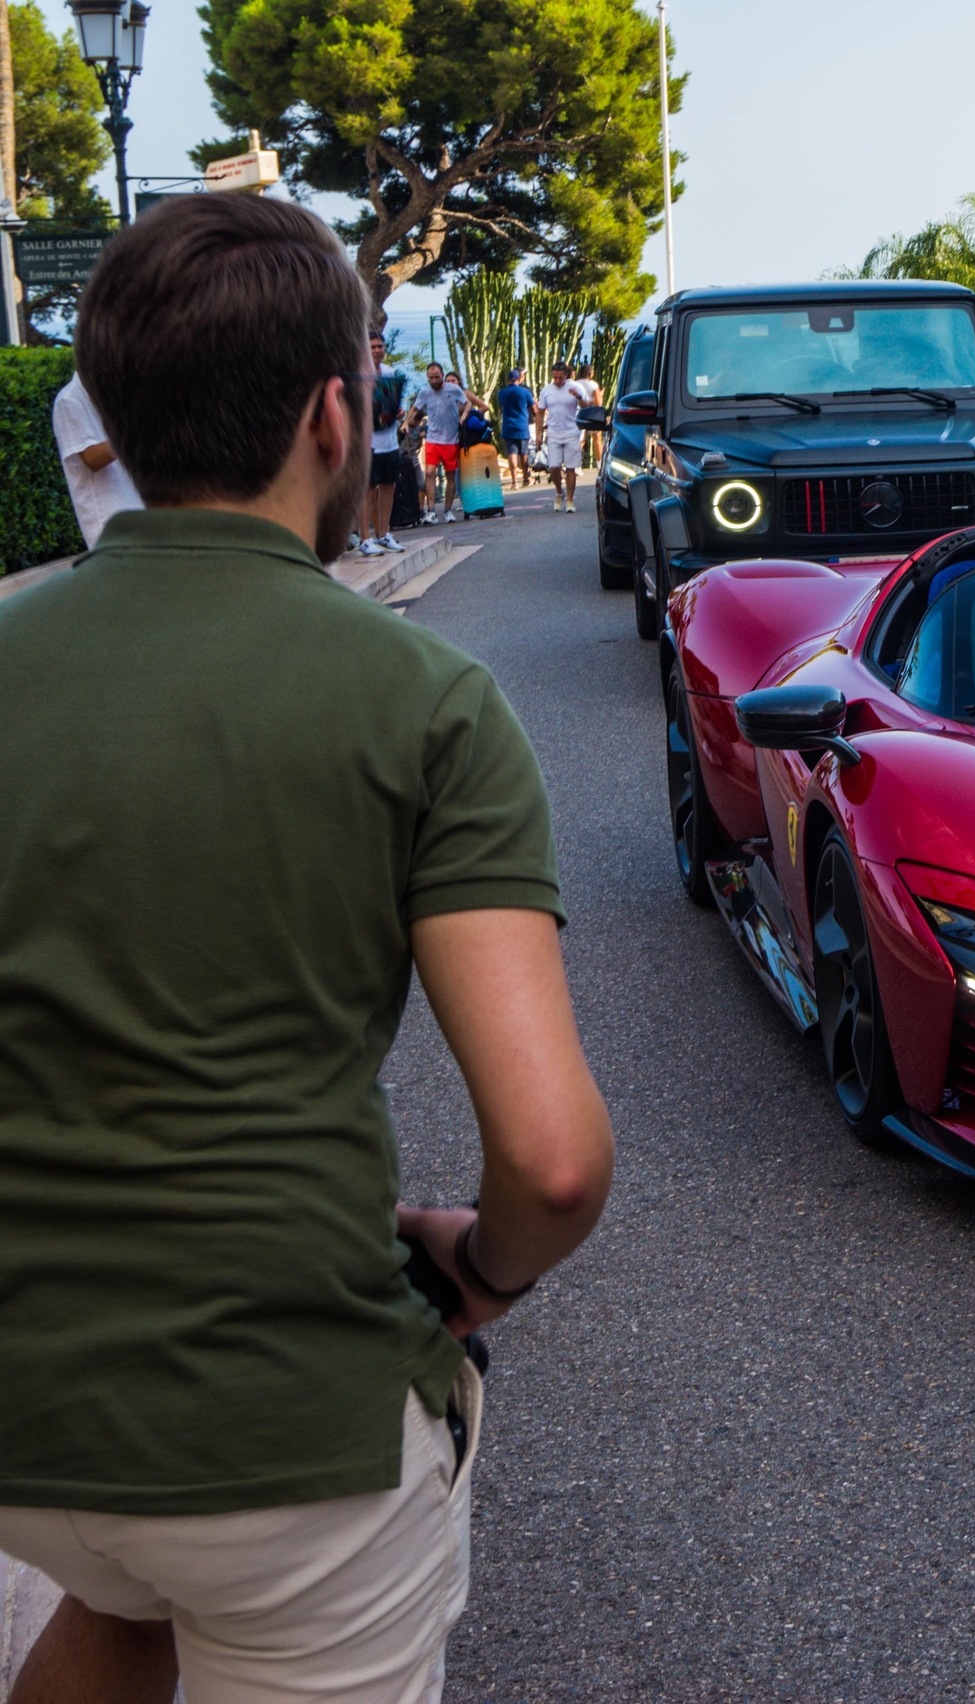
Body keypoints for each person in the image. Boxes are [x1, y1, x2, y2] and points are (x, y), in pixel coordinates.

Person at [0, 192, 613, 1704]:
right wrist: (479, 1268)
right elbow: (552, 1162)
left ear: (112, 421)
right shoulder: (426, 701)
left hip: (20, 1410)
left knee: (121, 1599)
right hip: (282, 1433)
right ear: (337, 416)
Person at [50, 371, 145, 550]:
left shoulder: (107, 396)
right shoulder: (69, 400)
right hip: (108, 522)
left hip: (135, 511)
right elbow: (92, 458)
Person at [405, 363, 482, 524]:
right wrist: (406, 422)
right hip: (433, 439)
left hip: (450, 439)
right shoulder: (425, 392)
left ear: (442, 376)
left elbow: (467, 402)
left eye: (437, 377)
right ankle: (431, 511)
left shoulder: (453, 390)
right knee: (430, 473)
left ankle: (447, 510)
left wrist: (464, 415)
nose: (434, 381)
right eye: (431, 378)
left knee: (450, 475)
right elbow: (415, 407)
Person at [360, 333, 411, 557]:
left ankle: (384, 534)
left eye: (380, 346)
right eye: (373, 347)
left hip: (389, 441)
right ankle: (364, 538)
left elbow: (392, 403)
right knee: (368, 490)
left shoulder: (390, 373)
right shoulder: (360, 374)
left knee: (388, 487)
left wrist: (399, 412)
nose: (377, 350)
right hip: (369, 442)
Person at [536, 362, 586, 513]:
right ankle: (559, 492)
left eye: (560, 377)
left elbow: (586, 406)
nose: (558, 380)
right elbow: (539, 412)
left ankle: (570, 500)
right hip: (553, 432)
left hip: (571, 431)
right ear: (552, 375)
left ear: (566, 375)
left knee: (571, 467)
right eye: (555, 377)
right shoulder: (546, 390)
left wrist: (578, 397)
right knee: (553, 467)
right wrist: (538, 434)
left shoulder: (574, 388)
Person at [492, 367, 535, 491]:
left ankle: (514, 481)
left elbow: (501, 407)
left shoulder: (501, 392)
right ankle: (526, 479)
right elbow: (533, 409)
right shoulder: (525, 392)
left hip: (508, 425)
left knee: (512, 453)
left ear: (508, 379)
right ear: (518, 379)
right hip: (522, 425)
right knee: (524, 453)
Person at [571, 363, 604, 469]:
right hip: (592, 415)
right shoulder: (593, 385)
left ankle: (576, 464)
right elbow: (598, 403)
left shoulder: (575, 383)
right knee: (597, 439)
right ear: (590, 373)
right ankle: (600, 463)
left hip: (578, 414)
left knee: (581, 440)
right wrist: (600, 394)